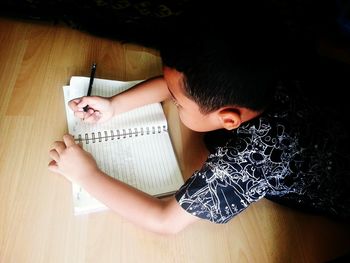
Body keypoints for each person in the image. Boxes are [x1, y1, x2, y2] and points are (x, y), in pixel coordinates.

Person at [48, 4, 350, 234]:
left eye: (178, 104)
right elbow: (174, 86)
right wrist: (116, 105)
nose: (172, 101)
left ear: (229, 119)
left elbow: (165, 220)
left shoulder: (252, 157)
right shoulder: (275, 59)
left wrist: (87, 175)